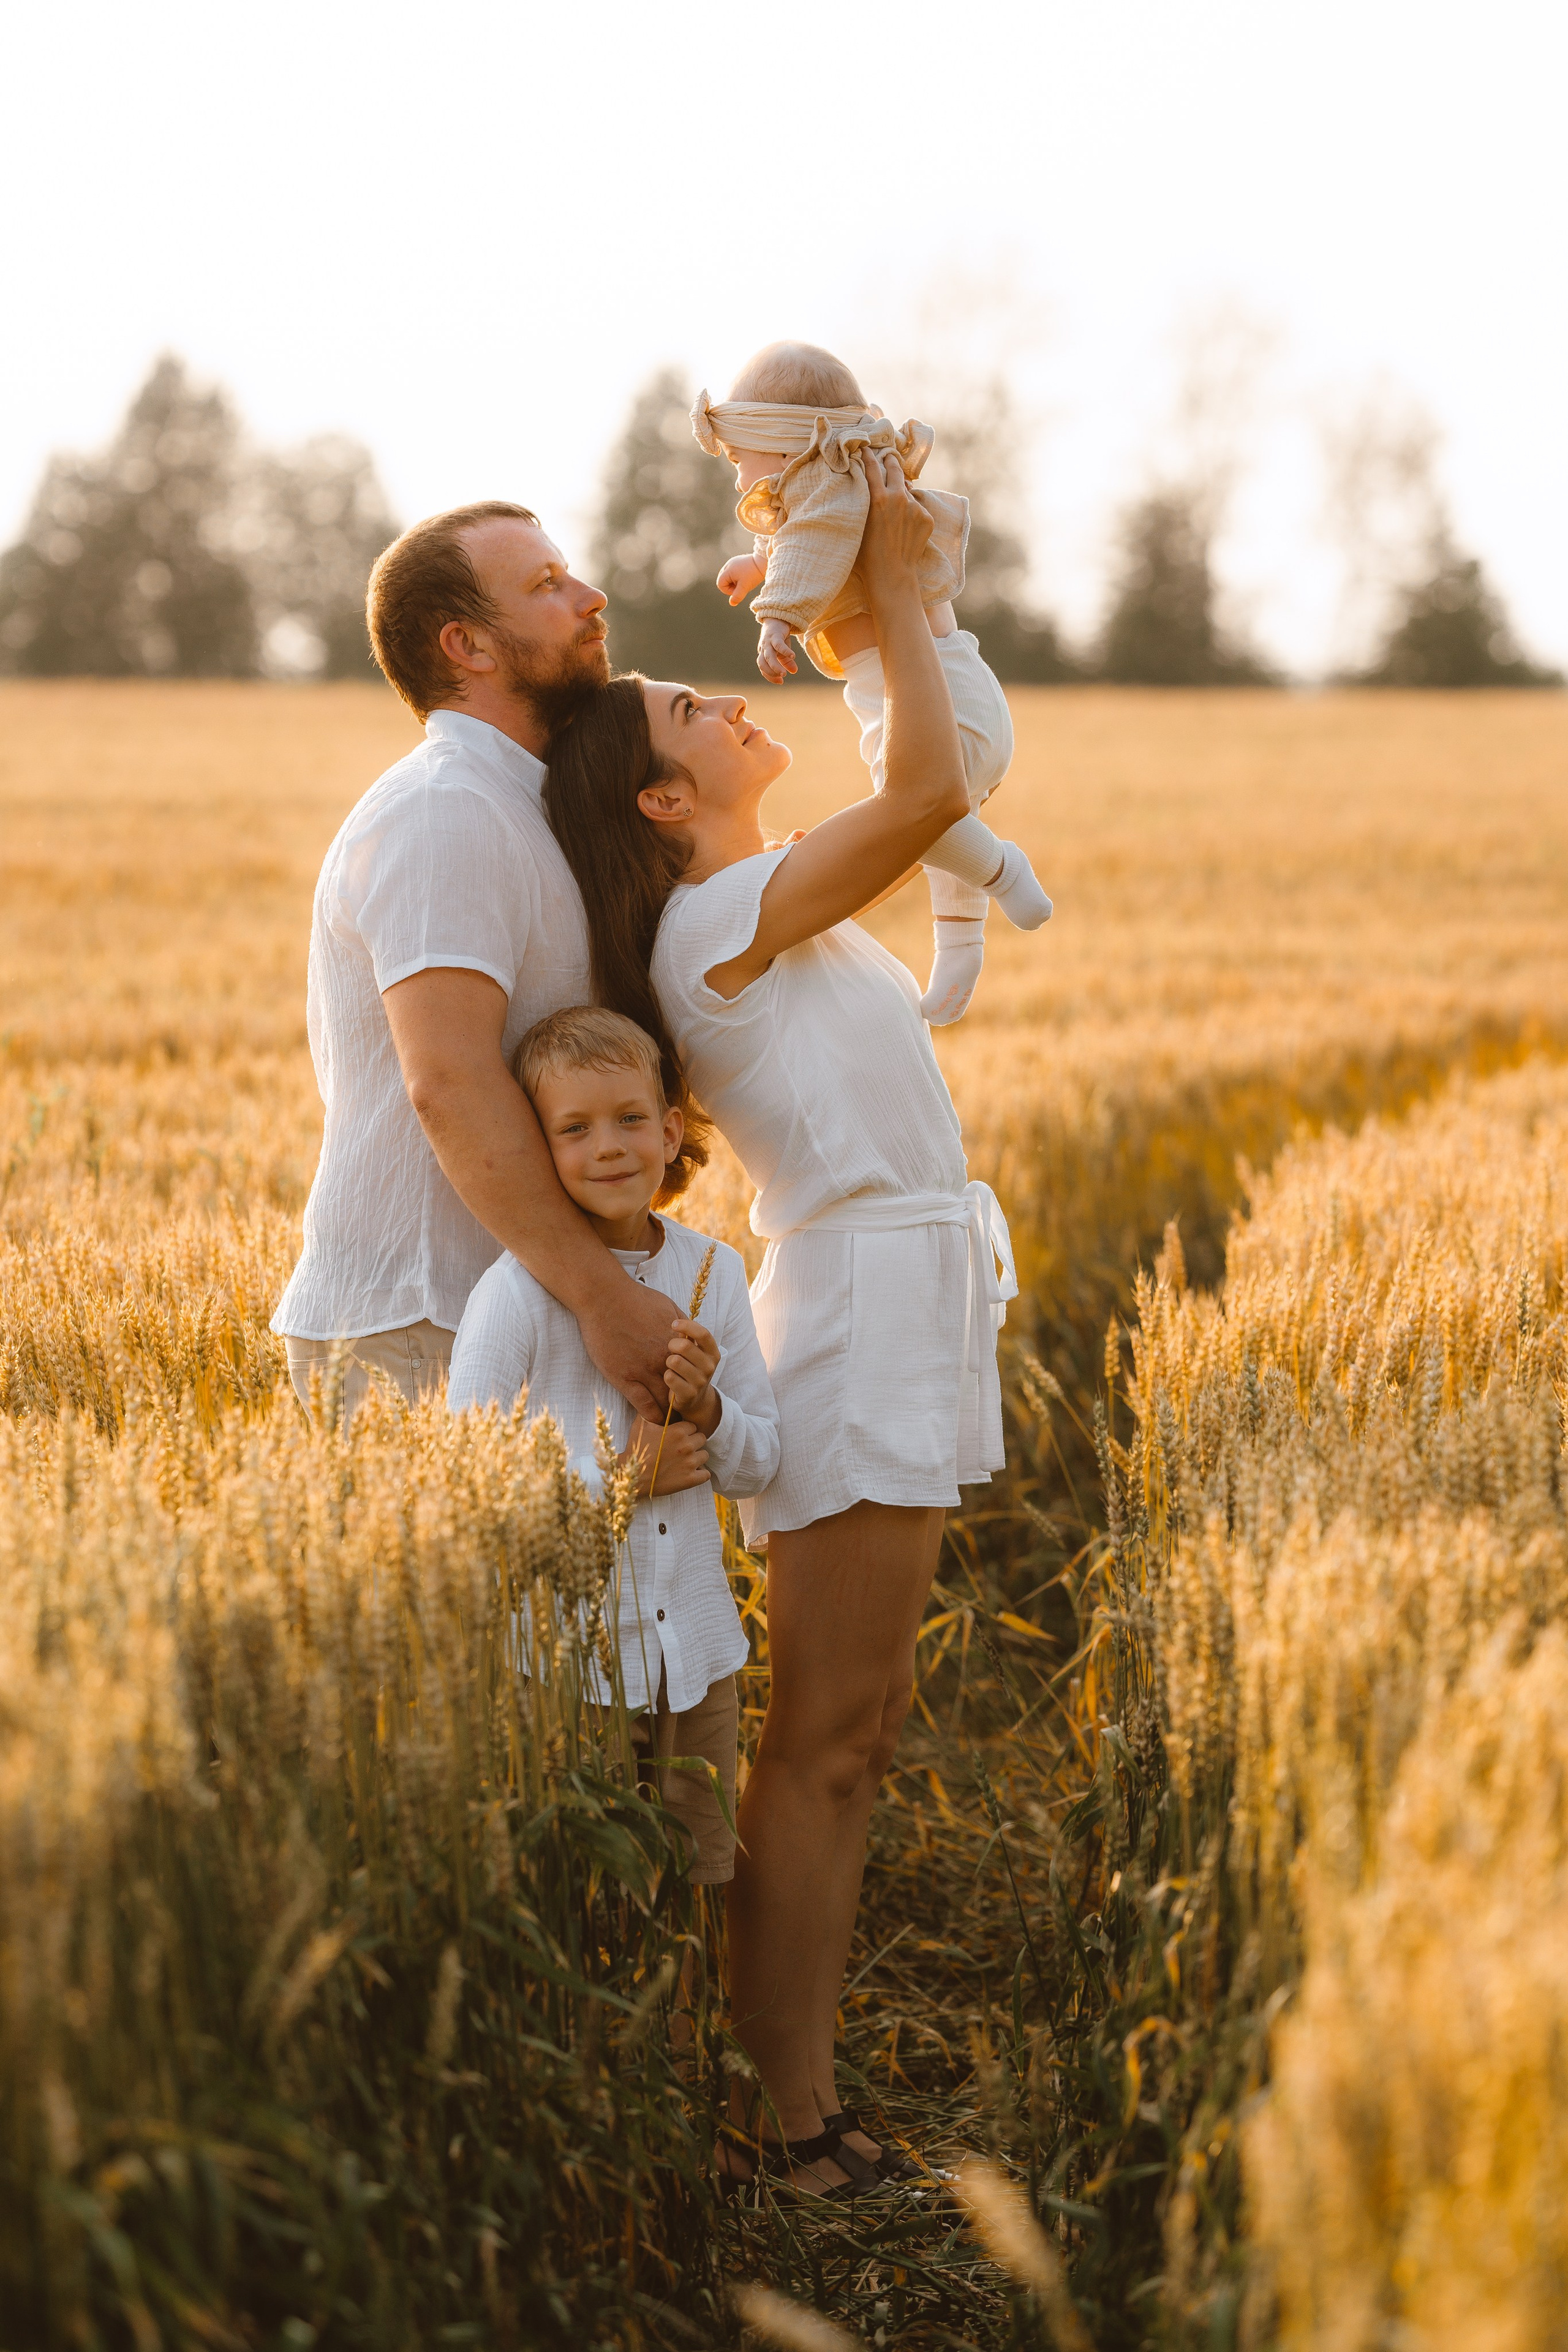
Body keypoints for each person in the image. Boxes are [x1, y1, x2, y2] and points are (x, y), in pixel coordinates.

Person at [543, 450, 1019, 2199]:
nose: (720, 698)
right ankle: (784, 2118)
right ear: (664, 805)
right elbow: (929, 790)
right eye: (689, 706)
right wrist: (884, 566)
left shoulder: (739, 909)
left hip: (907, 1291)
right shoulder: (711, 921)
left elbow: (930, 781)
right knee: (832, 1739)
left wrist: (895, 598)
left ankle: (787, 2093)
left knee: (852, 1726)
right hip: (864, 1312)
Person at [271, 501, 678, 1425]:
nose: (590, 596)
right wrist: (605, 1299)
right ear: (470, 647)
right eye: (546, 586)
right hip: (417, 1324)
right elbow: (448, 1082)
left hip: (486, 1310)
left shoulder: (519, 806)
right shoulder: (444, 810)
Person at [446, 1004, 779, 1909]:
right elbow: (471, 1489)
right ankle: (610, 2051)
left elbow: (759, 1464)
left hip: (700, 1661)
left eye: (631, 1119)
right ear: (536, 1149)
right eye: (574, 1129)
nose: (609, 1147)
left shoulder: (716, 1273)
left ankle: (684, 2041)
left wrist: (709, 1407)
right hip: (569, 1671)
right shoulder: (514, 1295)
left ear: (672, 1131)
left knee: (695, 1884)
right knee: (585, 1892)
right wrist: (623, 1481)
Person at [690, 340, 1050, 1025]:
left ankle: (1003, 870)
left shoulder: (829, 494)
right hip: (952, 686)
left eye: (742, 461)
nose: (740, 483)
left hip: (941, 698)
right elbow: (806, 535)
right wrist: (757, 559)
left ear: (788, 442)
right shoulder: (836, 485)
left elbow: (816, 542)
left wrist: (776, 620)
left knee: (906, 809)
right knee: (934, 815)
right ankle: (960, 944)